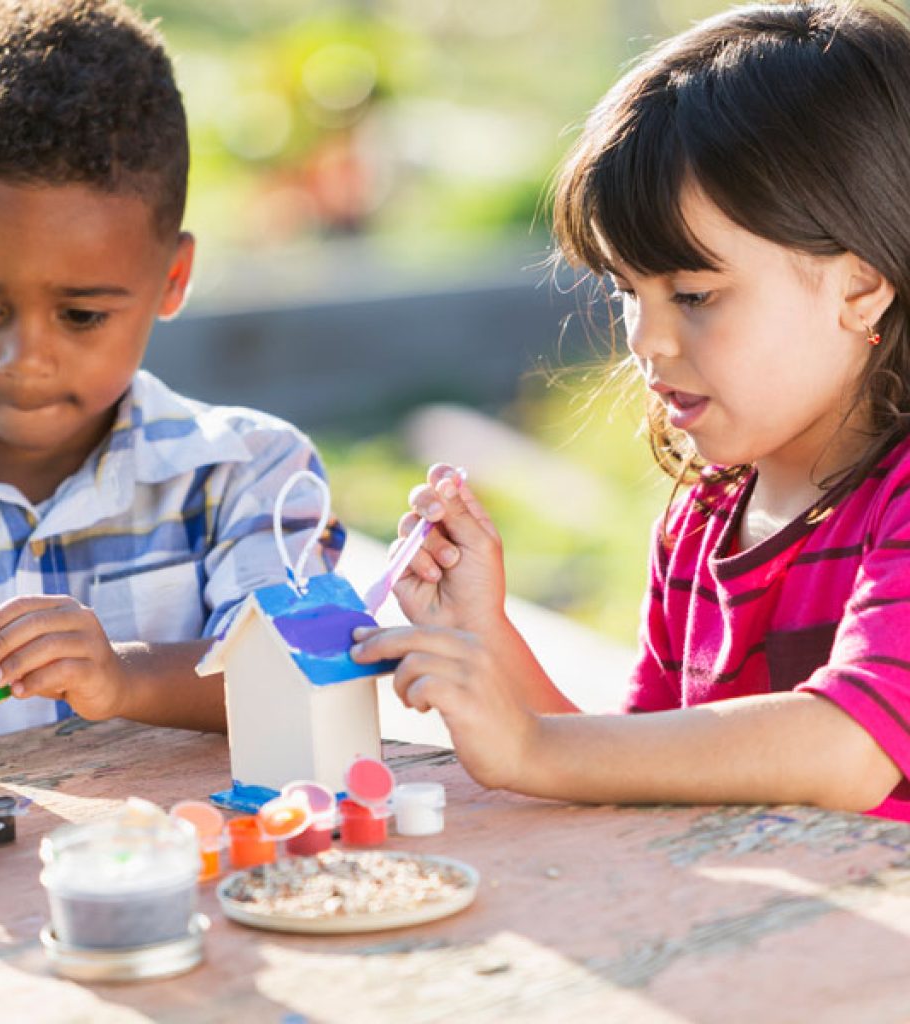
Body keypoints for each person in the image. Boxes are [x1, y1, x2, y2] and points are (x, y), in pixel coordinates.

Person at [352, 0, 910, 821]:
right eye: (625, 291)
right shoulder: (702, 522)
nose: (645, 340)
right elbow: (644, 770)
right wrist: (487, 637)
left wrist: (531, 747)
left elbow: (848, 748)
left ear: (860, 287)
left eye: (693, 294)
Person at [0, 0, 342, 739]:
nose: (25, 358)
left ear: (172, 278)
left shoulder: (247, 472)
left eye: (82, 316)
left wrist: (123, 676)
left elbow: (300, 674)